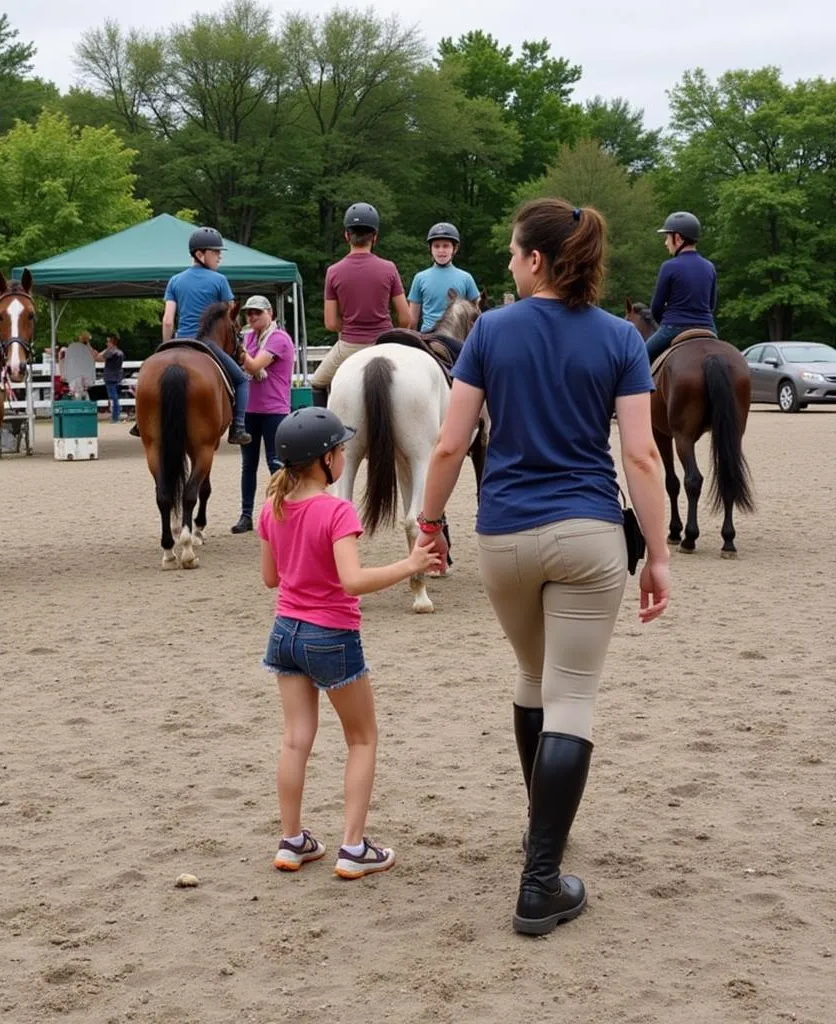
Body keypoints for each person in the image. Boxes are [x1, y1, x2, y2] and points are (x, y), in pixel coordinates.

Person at [414, 198, 670, 935]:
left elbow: (448, 446)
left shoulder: (489, 330)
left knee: (534, 680)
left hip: (502, 540)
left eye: (512, 251)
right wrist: (657, 555)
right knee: (573, 699)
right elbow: (643, 455)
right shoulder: (621, 337)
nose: (505, 262)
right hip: (590, 536)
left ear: (536, 261)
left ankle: (539, 833)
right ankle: (540, 881)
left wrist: (430, 527)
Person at [259, 408, 441, 878]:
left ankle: (292, 839)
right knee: (362, 739)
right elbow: (353, 581)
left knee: (295, 739)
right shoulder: (336, 510)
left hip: (284, 633)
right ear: (324, 460)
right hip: (331, 636)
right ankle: (353, 846)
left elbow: (269, 578)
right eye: (340, 449)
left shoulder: (272, 506)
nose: (344, 455)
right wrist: (409, 564)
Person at [309, 203, 411, 407]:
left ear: (347, 235)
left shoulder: (334, 272)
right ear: (375, 237)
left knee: (318, 382)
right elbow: (406, 317)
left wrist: (348, 326)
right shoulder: (389, 268)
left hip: (349, 345)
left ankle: (324, 432)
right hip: (385, 343)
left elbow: (330, 323)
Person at [162, 226, 251, 444]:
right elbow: (229, 318)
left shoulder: (174, 281)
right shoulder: (219, 280)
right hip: (208, 344)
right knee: (241, 382)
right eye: (215, 251)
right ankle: (238, 427)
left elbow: (167, 320)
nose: (219, 256)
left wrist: (167, 347)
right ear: (200, 254)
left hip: (179, 342)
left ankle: (141, 421)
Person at [231, 296, 295, 534]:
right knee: (248, 465)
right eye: (248, 313)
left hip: (274, 410)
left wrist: (237, 348)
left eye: (257, 312)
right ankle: (246, 515)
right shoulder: (248, 337)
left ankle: (281, 512)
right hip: (250, 410)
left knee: (275, 464)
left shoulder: (278, 339)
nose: (252, 317)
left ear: (270, 314)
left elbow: (254, 365)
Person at [645, 211, 718, 364]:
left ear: (677, 238)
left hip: (674, 327)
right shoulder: (709, 267)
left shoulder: (669, 267)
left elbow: (656, 307)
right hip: (708, 328)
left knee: (638, 358)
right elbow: (711, 305)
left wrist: (665, 323)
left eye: (667, 237)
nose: (666, 243)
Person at [407, 222, 481, 354]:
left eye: (446, 246)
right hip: (427, 338)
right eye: (436, 246)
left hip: (457, 340)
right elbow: (412, 319)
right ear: (430, 249)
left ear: (455, 248)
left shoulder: (466, 278)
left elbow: (477, 313)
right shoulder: (419, 278)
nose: (441, 251)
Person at [90, 335, 125, 422]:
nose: (106, 344)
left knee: (113, 397)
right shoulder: (120, 352)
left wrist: (98, 353)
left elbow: (98, 358)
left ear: (111, 343)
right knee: (116, 397)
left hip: (110, 376)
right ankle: (116, 416)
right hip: (118, 376)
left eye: (108, 342)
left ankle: (115, 417)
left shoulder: (111, 352)